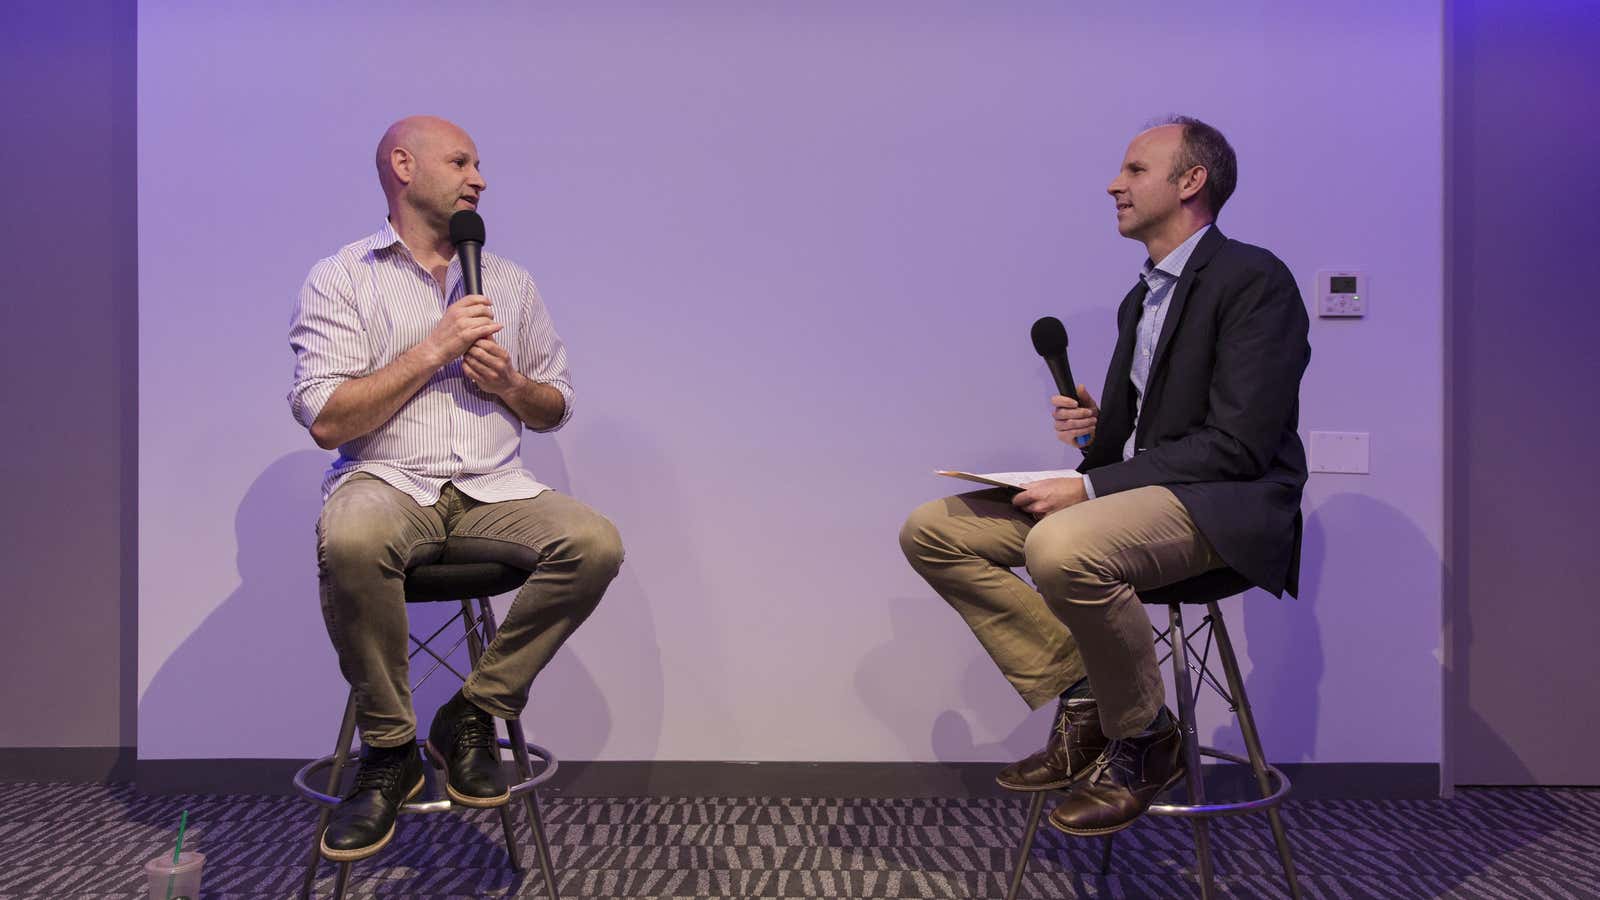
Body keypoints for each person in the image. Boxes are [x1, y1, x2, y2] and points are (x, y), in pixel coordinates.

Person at [900, 115, 1309, 836]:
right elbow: (1139, 445)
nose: (1114, 184)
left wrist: (1087, 489)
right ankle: (1089, 693)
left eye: (1135, 170)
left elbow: (1240, 445)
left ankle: (1145, 741)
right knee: (934, 531)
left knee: (1062, 547)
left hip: (1227, 508)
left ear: (1191, 181)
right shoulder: (1141, 297)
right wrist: (1100, 433)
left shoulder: (1254, 279)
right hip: (1147, 499)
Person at [288, 115, 624, 861]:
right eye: (463, 162)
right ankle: (389, 749)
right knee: (350, 535)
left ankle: (474, 711)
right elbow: (328, 421)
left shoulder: (509, 281)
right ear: (404, 167)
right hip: (388, 481)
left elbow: (556, 406)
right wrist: (433, 347)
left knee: (595, 543)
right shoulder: (342, 278)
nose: (480, 179)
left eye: (479, 165)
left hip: (492, 488)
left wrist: (513, 386)